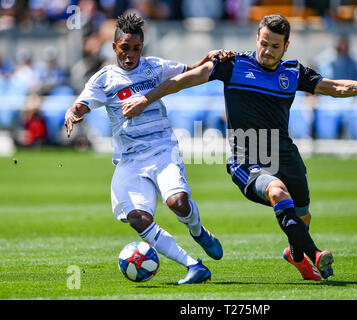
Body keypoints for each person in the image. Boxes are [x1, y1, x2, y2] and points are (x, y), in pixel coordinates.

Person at [122, 14, 357, 281]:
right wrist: (146, 99)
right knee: (277, 192)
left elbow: (336, 87)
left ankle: (296, 254)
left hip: (286, 155)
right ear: (257, 38)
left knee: (303, 216)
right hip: (246, 158)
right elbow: (183, 80)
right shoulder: (232, 65)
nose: (267, 50)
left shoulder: (293, 72)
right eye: (263, 43)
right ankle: (315, 254)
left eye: (275, 46)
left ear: (286, 46)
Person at [65, 13, 232, 285]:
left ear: (142, 48)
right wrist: (72, 112)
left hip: (162, 149)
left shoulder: (154, 67)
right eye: (125, 48)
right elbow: (82, 104)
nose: (131, 54)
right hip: (129, 160)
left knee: (178, 203)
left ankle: (198, 230)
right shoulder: (104, 79)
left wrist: (209, 57)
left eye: (136, 48)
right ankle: (194, 266)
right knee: (137, 218)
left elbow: (189, 70)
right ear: (114, 47)